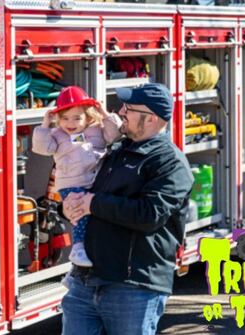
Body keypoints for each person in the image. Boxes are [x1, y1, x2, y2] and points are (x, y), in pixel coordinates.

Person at [61, 83, 194, 335]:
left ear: (151, 118)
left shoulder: (170, 163)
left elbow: (149, 214)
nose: (121, 112)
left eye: (129, 108)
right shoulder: (117, 150)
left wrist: (92, 204)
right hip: (85, 282)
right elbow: (89, 192)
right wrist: (68, 207)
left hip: (132, 286)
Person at [32, 86, 122, 267]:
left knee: (96, 215)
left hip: (95, 182)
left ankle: (90, 255)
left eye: (76, 118)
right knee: (80, 213)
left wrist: (104, 113)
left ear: (88, 116)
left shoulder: (97, 130)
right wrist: (44, 125)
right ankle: (78, 249)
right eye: (64, 118)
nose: (70, 123)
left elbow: (116, 135)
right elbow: (43, 148)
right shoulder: (57, 135)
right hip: (70, 183)